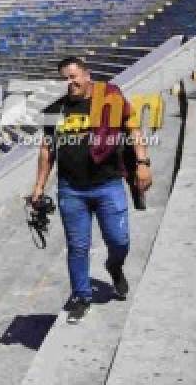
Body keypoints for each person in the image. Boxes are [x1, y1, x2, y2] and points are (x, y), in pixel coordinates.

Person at [31, 57, 153, 324]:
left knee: (119, 241)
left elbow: (132, 128)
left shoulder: (109, 98)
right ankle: (81, 296)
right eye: (65, 78)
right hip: (71, 189)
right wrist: (39, 186)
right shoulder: (56, 110)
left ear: (87, 75)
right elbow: (46, 149)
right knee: (77, 246)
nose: (70, 82)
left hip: (108, 185)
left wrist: (142, 162)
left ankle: (114, 267)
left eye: (73, 76)